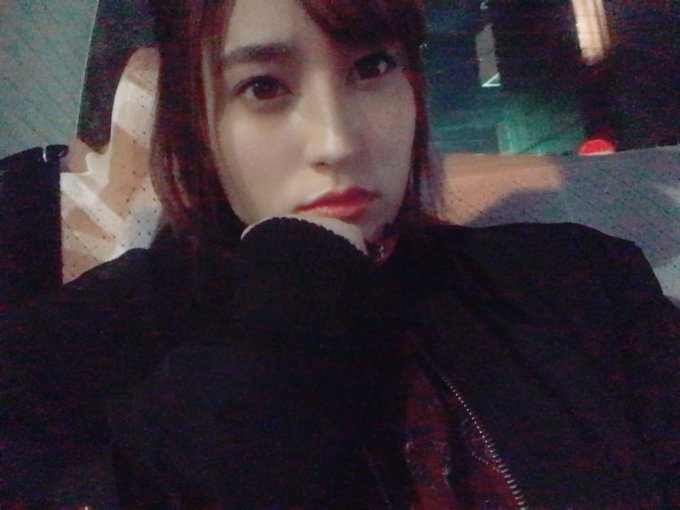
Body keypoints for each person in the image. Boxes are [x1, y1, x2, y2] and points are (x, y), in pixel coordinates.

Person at [1, 0, 678, 508]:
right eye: (264, 86)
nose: (337, 141)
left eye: (371, 67)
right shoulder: (75, 349)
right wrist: (290, 312)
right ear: (200, 126)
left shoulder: (584, 281)